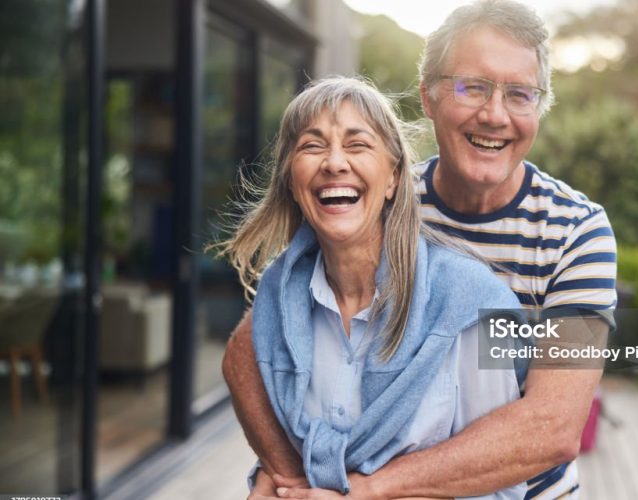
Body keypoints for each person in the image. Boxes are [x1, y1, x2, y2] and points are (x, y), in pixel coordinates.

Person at [223, 1, 617, 498]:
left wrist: (367, 491)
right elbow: (251, 344)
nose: (494, 115)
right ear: (429, 98)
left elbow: (554, 426)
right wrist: (285, 473)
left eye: (520, 94)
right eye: (472, 86)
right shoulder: (374, 197)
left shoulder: (577, 231)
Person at [219, 76, 527, 498]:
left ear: (394, 179)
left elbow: (501, 490)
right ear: (292, 181)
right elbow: (285, 441)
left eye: (357, 144)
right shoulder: (279, 298)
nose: (333, 162)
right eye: (312, 146)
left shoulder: (469, 303)